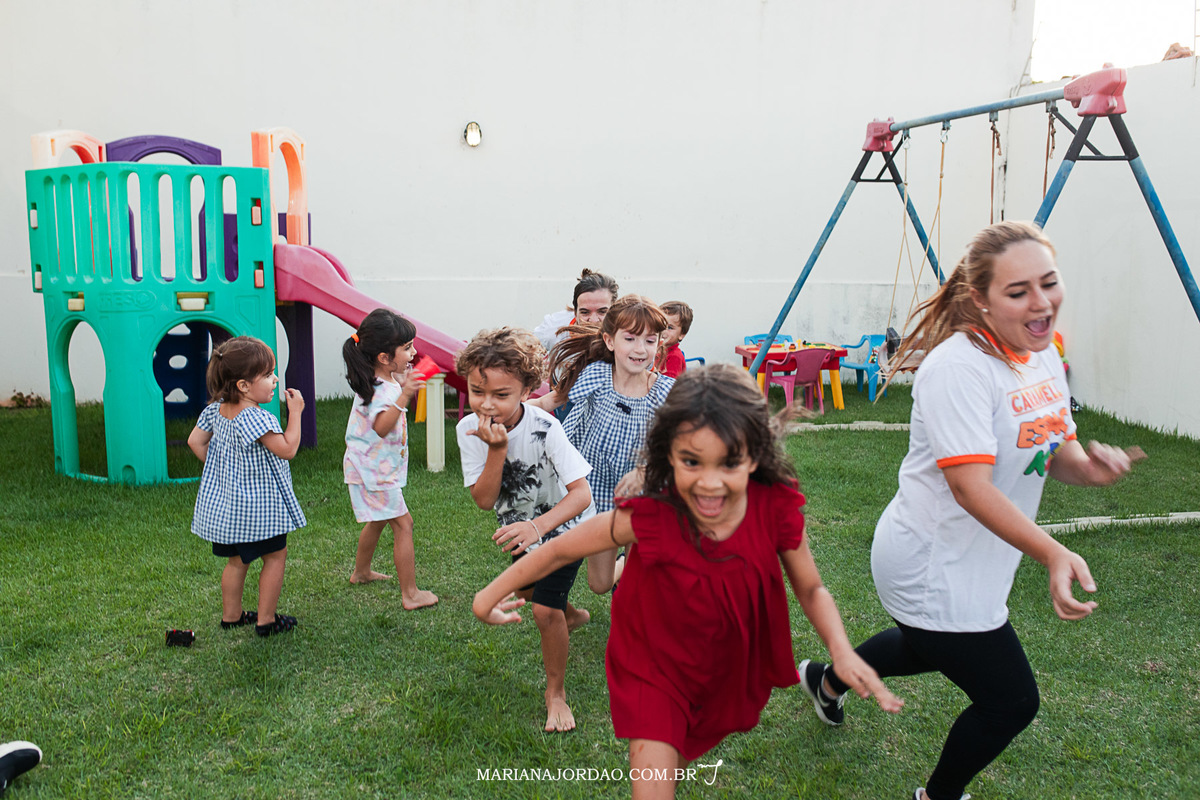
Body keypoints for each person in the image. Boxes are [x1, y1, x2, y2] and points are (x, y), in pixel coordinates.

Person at [797, 221, 1139, 800]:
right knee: (1010, 701)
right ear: (980, 298)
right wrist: (1052, 552)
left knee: (924, 647)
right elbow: (970, 488)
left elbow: (1054, 444)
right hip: (931, 562)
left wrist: (1088, 469)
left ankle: (825, 681)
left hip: (978, 559)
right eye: (1018, 291)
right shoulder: (958, 369)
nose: (1041, 302)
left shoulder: (1041, 353)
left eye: (1049, 282)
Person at [473, 365, 901, 799]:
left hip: (723, 667)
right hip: (652, 666)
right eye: (692, 461)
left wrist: (840, 649)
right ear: (669, 453)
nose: (709, 483)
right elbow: (560, 550)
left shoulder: (774, 508)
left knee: (673, 767)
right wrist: (487, 596)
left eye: (729, 462)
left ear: (755, 455)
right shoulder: (653, 513)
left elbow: (810, 588)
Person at [454, 327, 596, 732]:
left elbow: (581, 494)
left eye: (501, 394)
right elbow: (484, 499)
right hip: (520, 531)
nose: (487, 404)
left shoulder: (545, 427)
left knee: (543, 610)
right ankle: (574, 615)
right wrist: (497, 449)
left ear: (527, 389)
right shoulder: (468, 430)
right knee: (530, 592)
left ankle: (556, 694)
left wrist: (538, 526)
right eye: (477, 392)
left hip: (566, 527)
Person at [544, 294, 673, 592]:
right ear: (610, 341)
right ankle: (625, 564)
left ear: (658, 345)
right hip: (598, 490)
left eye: (649, 341)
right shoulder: (597, 376)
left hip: (643, 493)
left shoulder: (665, 392)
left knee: (643, 580)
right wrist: (515, 411)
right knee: (599, 584)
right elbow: (553, 400)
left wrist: (645, 470)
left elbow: (681, 445)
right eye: (630, 339)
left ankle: (635, 580)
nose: (640, 349)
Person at [188, 336, 306, 638]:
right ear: (243, 385)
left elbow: (195, 442)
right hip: (259, 509)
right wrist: (295, 413)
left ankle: (232, 616)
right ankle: (266, 621)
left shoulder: (215, 411)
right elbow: (287, 449)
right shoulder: (255, 417)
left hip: (230, 509)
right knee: (275, 557)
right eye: (268, 375)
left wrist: (220, 468)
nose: (275, 379)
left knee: (237, 561)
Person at [342, 308, 439, 609]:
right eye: (407, 348)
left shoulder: (381, 380)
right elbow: (382, 427)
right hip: (373, 471)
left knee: (379, 520)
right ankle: (410, 594)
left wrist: (402, 383)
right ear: (384, 357)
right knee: (404, 524)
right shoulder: (380, 391)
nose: (414, 352)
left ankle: (361, 573)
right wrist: (405, 395)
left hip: (370, 466)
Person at [533, 268, 620, 352]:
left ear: (614, 312)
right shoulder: (551, 329)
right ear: (575, 312)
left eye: (602, 312)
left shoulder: (623, 334)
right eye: (585, 312)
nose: (593, 320)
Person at [656, 300, 693, 378]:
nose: (663, 330)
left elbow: (668, 383)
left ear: (682, 334)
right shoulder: (653, 350)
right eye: (660, 324)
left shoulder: (675, 357)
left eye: (670, 327)